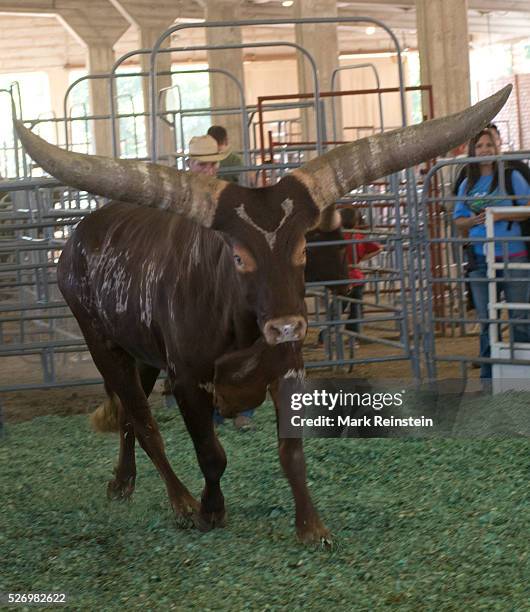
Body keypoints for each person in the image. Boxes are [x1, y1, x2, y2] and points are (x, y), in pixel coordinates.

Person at [453, 129, 530, 385]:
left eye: (489, 144)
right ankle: (489, 379)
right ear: (472, 151)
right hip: (480, 257)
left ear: (497, 147)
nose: (484, 149)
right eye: (479, 145)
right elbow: (458, 219)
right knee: (487, 319)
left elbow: (528, 208)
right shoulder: (467, 183)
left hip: (513, 254)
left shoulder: (511, 176)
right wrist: (472, 220)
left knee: (519, 316)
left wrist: (499, 215)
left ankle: (521, 376)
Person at [340, 208, 382, 345]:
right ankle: (353, 339)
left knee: (336, 310)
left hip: (342, 279)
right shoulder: (358, 236)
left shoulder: (338, 237)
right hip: (357, 279)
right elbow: (378, 248)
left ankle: (324, 337)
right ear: (357, 221)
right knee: (355, 311)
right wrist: (361, 258)